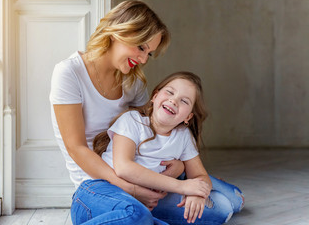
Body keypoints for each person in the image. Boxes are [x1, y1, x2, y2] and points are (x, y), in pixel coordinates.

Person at [50, 0, 175, 224]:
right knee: (136, 216)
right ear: (119, 33)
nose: (144, 59)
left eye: (150, 53)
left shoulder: (132, 81)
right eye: (141, 47)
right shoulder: (69, 72)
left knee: (220, 206)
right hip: (95, 187)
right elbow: (76, 148)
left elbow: (151, 133)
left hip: (136, 172)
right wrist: (129, 188)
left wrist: (181, 165)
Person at [93, 71, 244, 224]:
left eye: (184, 101)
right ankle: (191, 181)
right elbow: (124, 168)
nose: (173, 101)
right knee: (223, 209)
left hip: (164, 186)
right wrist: (183, 187)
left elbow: (199, 175)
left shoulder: (183, 134)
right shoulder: (132, 121)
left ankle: (198, 182)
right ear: (155, 96)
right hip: (127, 194)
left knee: (235, 201)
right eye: (170, 92)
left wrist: (196, 194)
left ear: (188, 117)